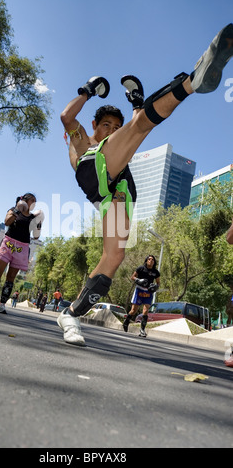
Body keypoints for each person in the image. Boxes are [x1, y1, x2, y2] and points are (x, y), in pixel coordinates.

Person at [57, 24, 233, 346]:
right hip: (93, 171)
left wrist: (136, 102)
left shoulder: (116, 149)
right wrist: (87, 89)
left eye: (115, 126)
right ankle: (194, 80)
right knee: (140, 127)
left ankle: (71, 313)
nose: (111, 130)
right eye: (106, 125)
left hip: (115, 195)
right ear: (95, 126)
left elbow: (136, 126)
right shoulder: (83, 138)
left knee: (114, 258)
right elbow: (67, 117)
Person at [0, 193, 44, 314]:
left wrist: (39, 222)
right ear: (25, 201)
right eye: (32, 200)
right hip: (8, 243)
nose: (34, 204)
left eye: (35, 202)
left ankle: (2, 304)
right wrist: (17, 209)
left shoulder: (33, 217)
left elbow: (36, 237)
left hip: (22, 247)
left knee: (10, 278)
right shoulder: (13, 210)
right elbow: (7, 222)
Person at [123, 255, 160, 337]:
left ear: (154, 262)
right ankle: (126, 322)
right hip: (139, 290)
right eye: (149, 259)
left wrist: (155, 287)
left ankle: (142, 330)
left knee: (146, 310)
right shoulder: (141, 268)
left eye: (152, 260)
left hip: (148, 292)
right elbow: (132, 277)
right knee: (133, 310)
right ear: (146, 260)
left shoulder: (156, 272)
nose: (151, 261)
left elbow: (158, 283)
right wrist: (138, 280)